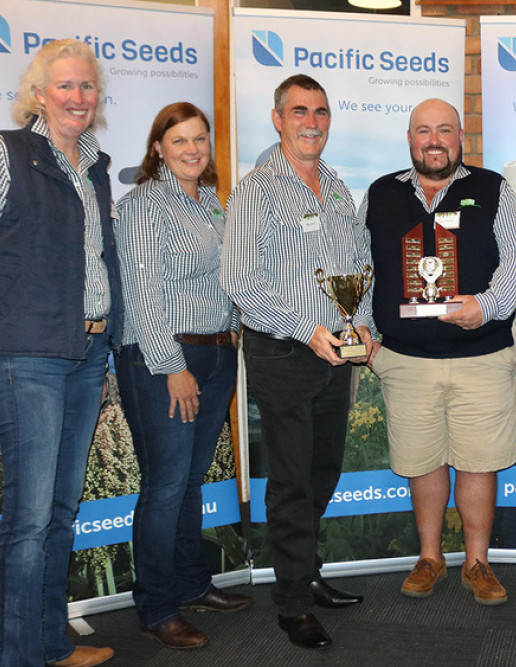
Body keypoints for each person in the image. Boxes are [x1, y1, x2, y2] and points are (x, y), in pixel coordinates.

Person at [358, 98, 516, 606]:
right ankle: (430, 556)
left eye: (445, 130)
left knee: (479, 462)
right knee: (422, 461)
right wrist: (363, 330)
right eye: (423, 131)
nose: (434, 140)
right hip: (406, 360)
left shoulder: (492, 187)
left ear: (462, 137)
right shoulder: (380, 193)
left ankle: (477, 563)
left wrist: (487, 305)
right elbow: (360, 266)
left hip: (480, 355)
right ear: (410, 139)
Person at [221, 74, 367, 651]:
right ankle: (291, 602)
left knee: (322, 470)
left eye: (322, 112)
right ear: (278, 119)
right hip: (285, 350)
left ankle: (305, 572)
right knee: (289, 479)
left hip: (337, 350)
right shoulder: (255, 189)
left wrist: (366, 330)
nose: (312, 122)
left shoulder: (336, 188)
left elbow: (360, 266)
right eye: (300, 111)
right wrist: (307, 331)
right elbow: (241, 282)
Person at [0, 39, 120, 667]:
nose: (78, 97)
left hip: (87, 351)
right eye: (65, 86)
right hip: (30, 356)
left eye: (88, 87)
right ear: (39, 93)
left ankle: (48, 643)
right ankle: (18, 655)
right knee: (28, 521)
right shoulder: (7, 152)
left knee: (60, 512)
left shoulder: (97, 165)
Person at [115, 102, 251, 650]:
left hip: (217, 354)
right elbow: (143, 295)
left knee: (190, 481)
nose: (192, 149)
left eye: (199, 139)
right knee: (166, 483)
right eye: (179, 141)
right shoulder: (143, 206)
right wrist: (171, 367)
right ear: (157, 149)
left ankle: (193, 584)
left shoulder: (212, 205)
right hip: (163, 357)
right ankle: (156, 606)